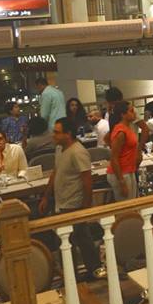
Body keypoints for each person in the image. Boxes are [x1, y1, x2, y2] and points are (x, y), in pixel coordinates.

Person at [38, 118, 103, 279]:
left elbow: (87, 181)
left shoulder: (78, 152)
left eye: (57, 132)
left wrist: (86, 207)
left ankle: (79, 274)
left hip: (74, 203)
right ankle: (87, 271)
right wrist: (46, 196)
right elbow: (55, 172)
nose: (53, 135)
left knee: (69, 240)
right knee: (76, 239)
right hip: (61, 201)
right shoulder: (60, 149)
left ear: (68, 134)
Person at [107, 101, 139, 201]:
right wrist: (121, 182)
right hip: (121, 173)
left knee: (133, 203)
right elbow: (114, 158)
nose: (134, 113)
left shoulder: (128, 127)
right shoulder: (120, 131)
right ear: (123, 114)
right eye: (131, 111)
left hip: (129, 170)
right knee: (127, 206)